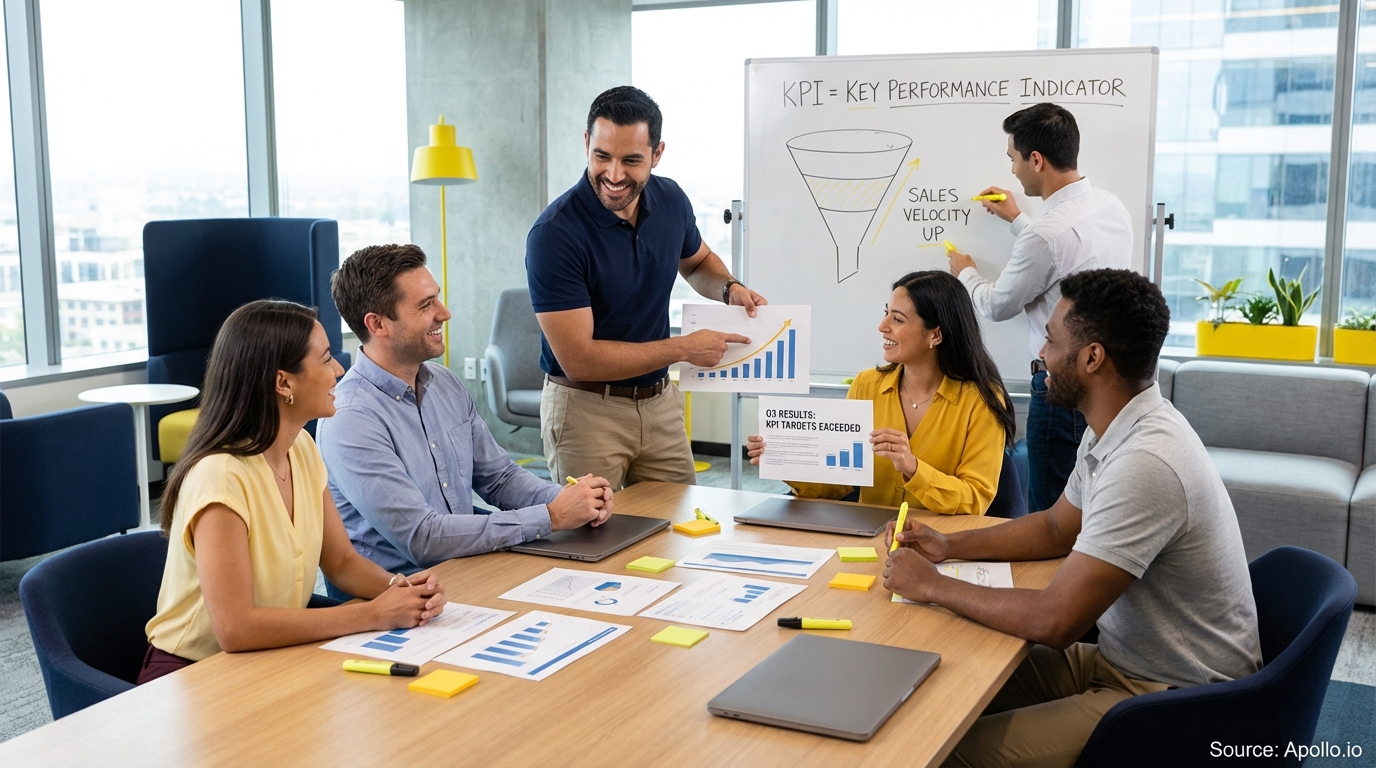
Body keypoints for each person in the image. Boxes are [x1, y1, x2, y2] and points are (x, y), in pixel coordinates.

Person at [884, 269, 1261, 767]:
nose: (1041, 353)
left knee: (943, 751)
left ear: (1091, 357)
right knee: (945, 676)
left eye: (1050, 339)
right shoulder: (1114, 424)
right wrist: (948, 545)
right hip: (1122, 659)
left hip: (1174, 697)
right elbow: (1057, 527)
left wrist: (932, 585)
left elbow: (1056, 621)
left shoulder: (1146, 462)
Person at [140, 300, 449, 685]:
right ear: (283, 382)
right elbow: (235, 629)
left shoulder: (301, 447)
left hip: (270, 656)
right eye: (325, 360)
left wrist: (401, 591)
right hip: (194, 674)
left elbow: (341, 563)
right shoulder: (220, 476)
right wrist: (373, 614)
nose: (339, 370)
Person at [317, 244, 613, 586]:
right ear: (378, 324)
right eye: (426, 305)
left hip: (465, 569)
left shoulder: (443, 383)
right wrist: (550, 516)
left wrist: (569, 500)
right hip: (398, 595)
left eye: (437, 299)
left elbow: (499, 478)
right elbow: (423, 538)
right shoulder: (351, 418)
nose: (444, 313)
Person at [526, 85, 768, 489]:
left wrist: (729, 288)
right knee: (596, 541)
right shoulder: (554, 235)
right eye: (601, 156)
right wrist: (684, 348)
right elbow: (579, 360)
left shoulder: (671, 200)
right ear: (586, 143)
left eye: (631, 160)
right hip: (586, 409)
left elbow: (697, 262)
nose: (614, 175)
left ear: (657, 154)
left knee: (681, 530)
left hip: (659, 405)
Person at [947, 102, 1133, 513]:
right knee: (1095, 506)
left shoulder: (1046, 234)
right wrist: (1017, 219)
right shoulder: (1110, 206)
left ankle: (1051, 579)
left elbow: (997, 305)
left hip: (1060, 389)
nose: (1013, 169)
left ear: (1036, 159)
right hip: (1109, 385)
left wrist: (966, 273)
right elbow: (1062, 254)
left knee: (1052, 514)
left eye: (1013, 158)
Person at [747, 271, 1014, 515]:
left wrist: (912, 467)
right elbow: (839, 484)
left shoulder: (981, 399)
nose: (882, 326)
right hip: (871, 541)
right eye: (886, 313)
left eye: (897, 319)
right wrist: (785, 462)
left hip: (943, 544)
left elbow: (975, 499)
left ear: (935, 335)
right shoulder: (866, 385)